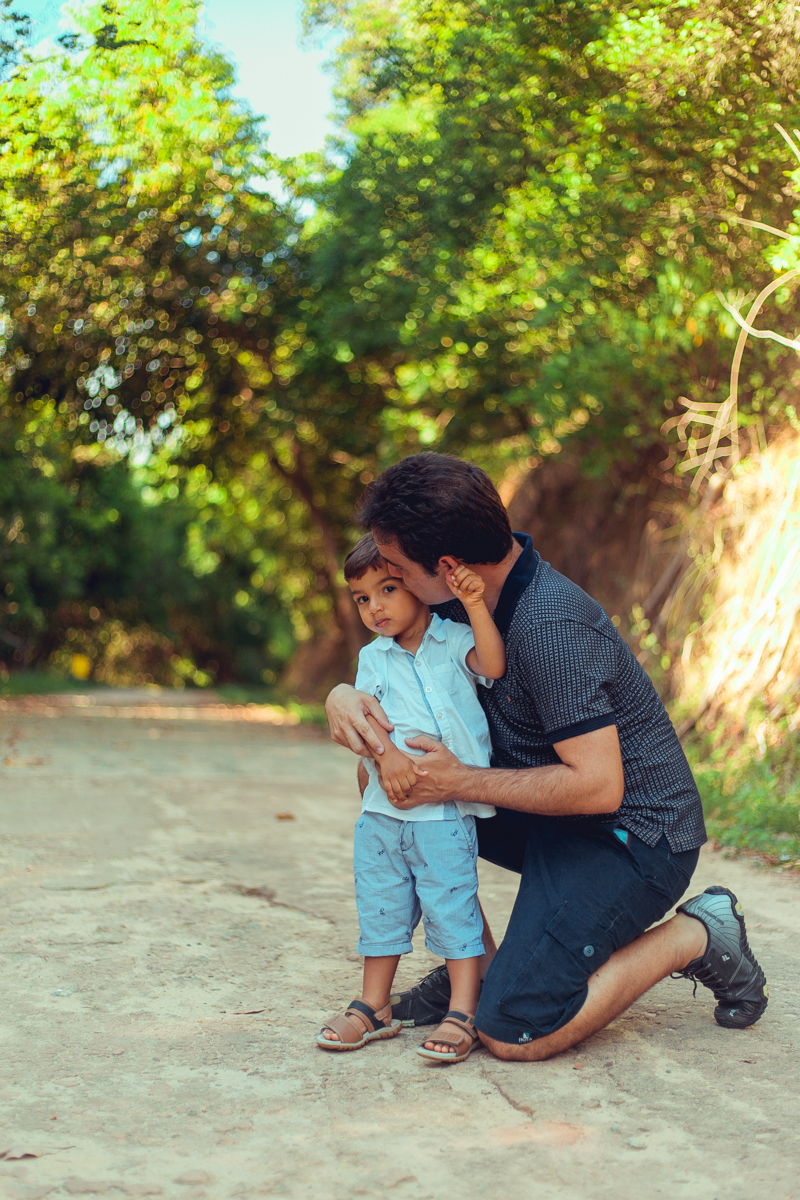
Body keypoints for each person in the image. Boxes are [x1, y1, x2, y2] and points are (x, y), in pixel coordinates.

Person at [325, 453, 768, 1062]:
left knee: (513, 1030)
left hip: (631, 834)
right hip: (549, 813)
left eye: (397, 573)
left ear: (448, 567)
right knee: (390, 781)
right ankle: (472, 972)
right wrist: (341, 695)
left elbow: (598, 787)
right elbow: (388, 672)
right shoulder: (454, 603)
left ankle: (699, 933)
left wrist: (459, 779)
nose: (390, 587)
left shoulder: (551, 624)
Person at [317, 533, 507, 1062]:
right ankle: (373, 1005)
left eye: (388, 589)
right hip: (383, 810)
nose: (374, 606)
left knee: (452, 904)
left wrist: (473, 603)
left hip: (442, 811)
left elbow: (492, 666)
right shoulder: (373, 658)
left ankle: (464, 1009)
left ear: (420, 586)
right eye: (362, 597)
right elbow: (366, 718)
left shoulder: (452, 639)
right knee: (381, 904)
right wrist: (386, 759)